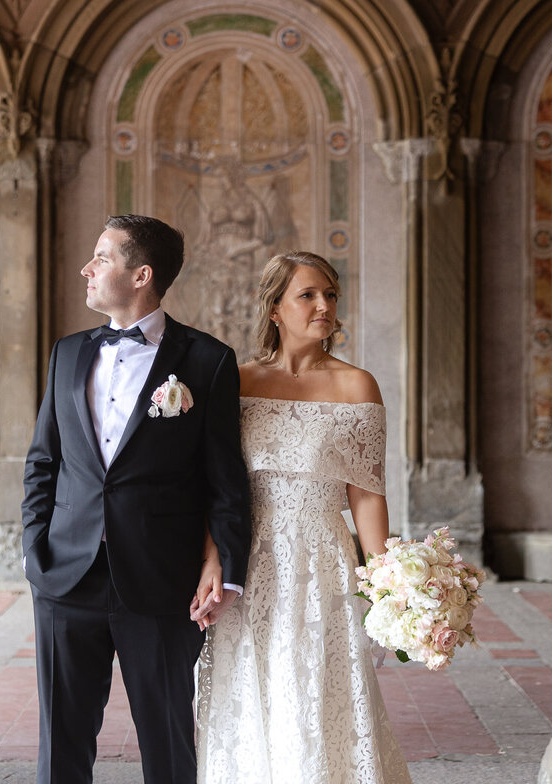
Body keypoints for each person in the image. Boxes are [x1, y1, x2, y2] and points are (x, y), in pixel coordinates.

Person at [22, 214, 252, 784]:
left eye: (102, 257)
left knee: (169, 739)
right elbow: (43, 462)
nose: (87, 268)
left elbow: (225, 477)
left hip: (161, 578)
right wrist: (33, 551)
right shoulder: (68, 353)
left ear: (141, 274)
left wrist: (225, 568)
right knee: (60, 742)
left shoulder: (207, 361)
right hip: (65, 575)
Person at [192, 251, 413, 784]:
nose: (324, 306)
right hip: (249, 557)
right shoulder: (237, 382)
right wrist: (211, 559)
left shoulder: (356, 386)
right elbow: (214, 487)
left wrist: (386, 586)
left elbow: (366, 494)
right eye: (308, 295)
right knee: (248, 684)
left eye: (331, 295)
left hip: (322, 559)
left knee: (319, 685)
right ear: (274, 308)